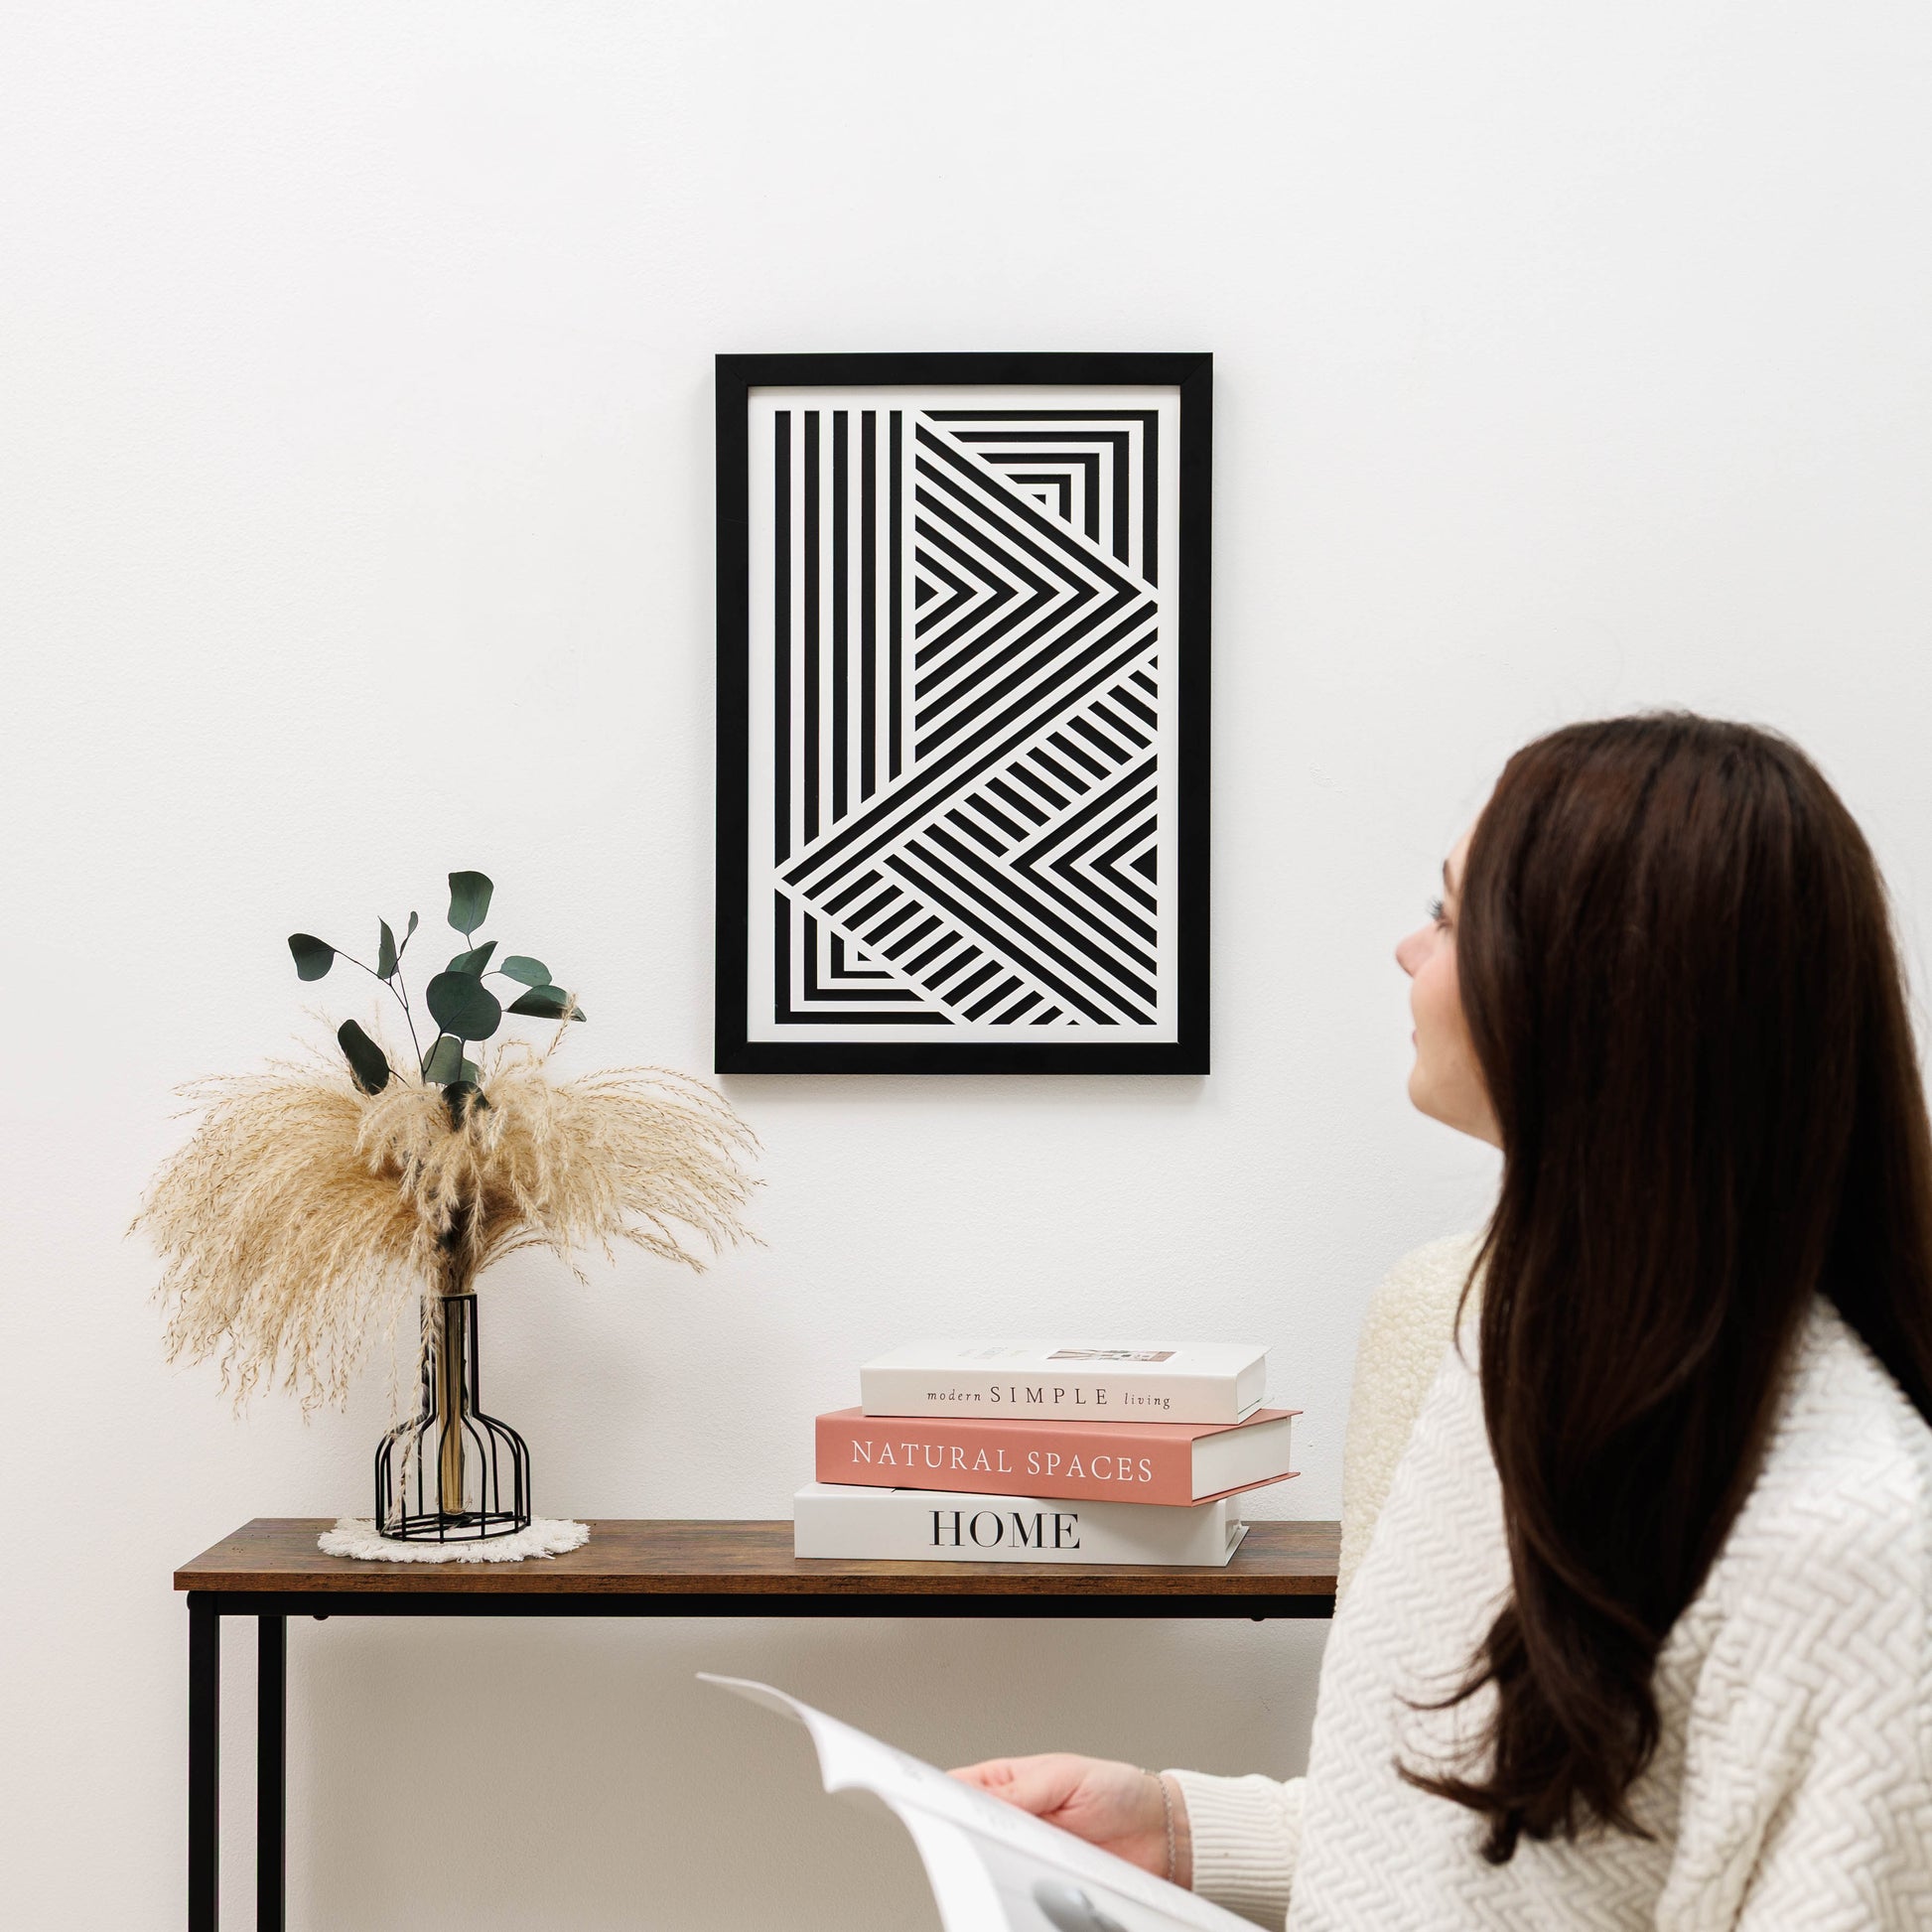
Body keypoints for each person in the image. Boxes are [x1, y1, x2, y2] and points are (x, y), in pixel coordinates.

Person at [952, 714, 1932, 1928]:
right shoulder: (1490, 1332)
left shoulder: (1858, 1548)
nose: (1406, 947)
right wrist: (1171, 1822)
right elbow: (1458, 1828)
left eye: (1450, 913)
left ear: (1596, 988)